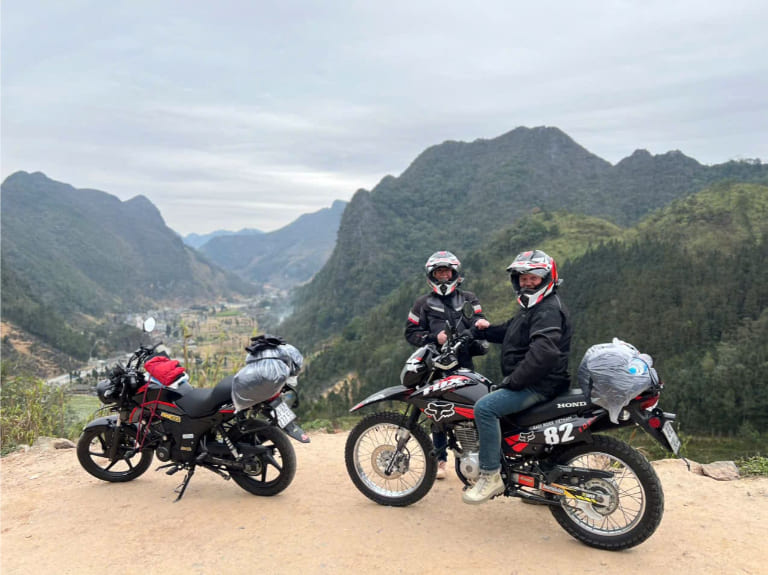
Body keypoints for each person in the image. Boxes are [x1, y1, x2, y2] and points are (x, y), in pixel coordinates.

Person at [462, 249, 572, 504]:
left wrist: (513, 382)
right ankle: (541, 483)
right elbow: (511, 331)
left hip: (539, 384)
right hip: (542, 380)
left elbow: (544, 353)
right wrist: (484, 331)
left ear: (547, 278)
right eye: (522, 278)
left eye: (533, 278)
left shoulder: (547, 310)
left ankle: (490, 475)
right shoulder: (535, 307)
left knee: (485, 408)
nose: (527, 283)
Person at [405, 250, 489, 480]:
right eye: (439, 272)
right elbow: (411, 332)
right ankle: (440, 460)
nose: (443, 276)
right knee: (438, 412)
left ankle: (470, 460)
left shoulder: (469, 298)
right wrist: (434, 338)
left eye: (447, 272)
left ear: (455, 274)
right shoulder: (422, 303)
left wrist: (480, 328)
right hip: (435, 365)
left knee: (469, 411)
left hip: (464, 361)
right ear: (431, 275)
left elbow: (478, 321)